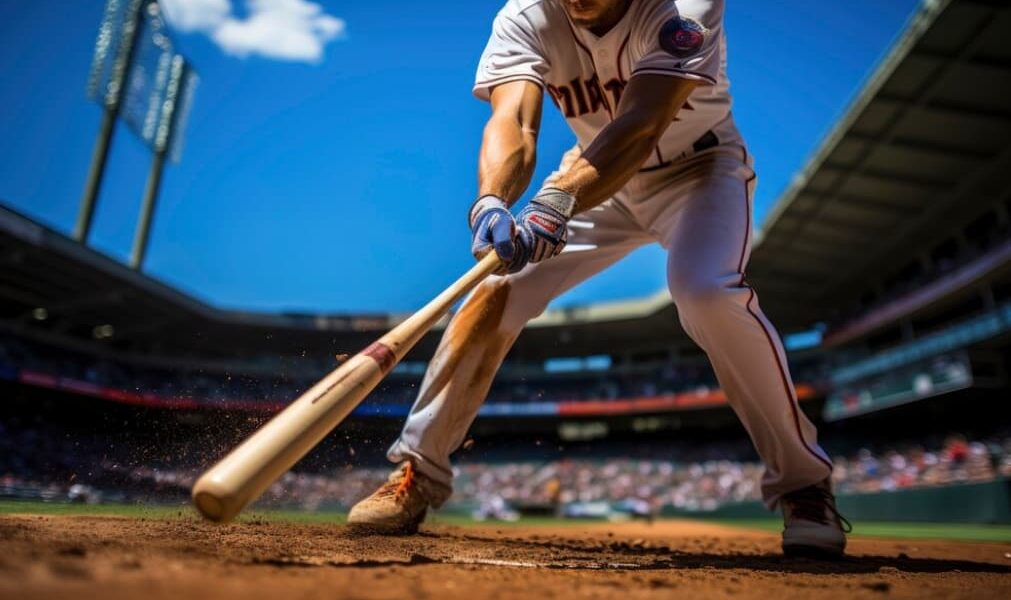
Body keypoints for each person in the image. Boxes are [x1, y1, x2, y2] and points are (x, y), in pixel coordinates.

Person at [349, 0, 850, 558]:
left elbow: (642, 123)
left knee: (704, 291)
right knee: (494, 287)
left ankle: (803, 483)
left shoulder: (683, 6)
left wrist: (560, 198)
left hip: (697, 171)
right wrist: (492, 200)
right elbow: (513, 119)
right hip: (591, 174)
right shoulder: (526, 14)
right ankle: (419, 471)